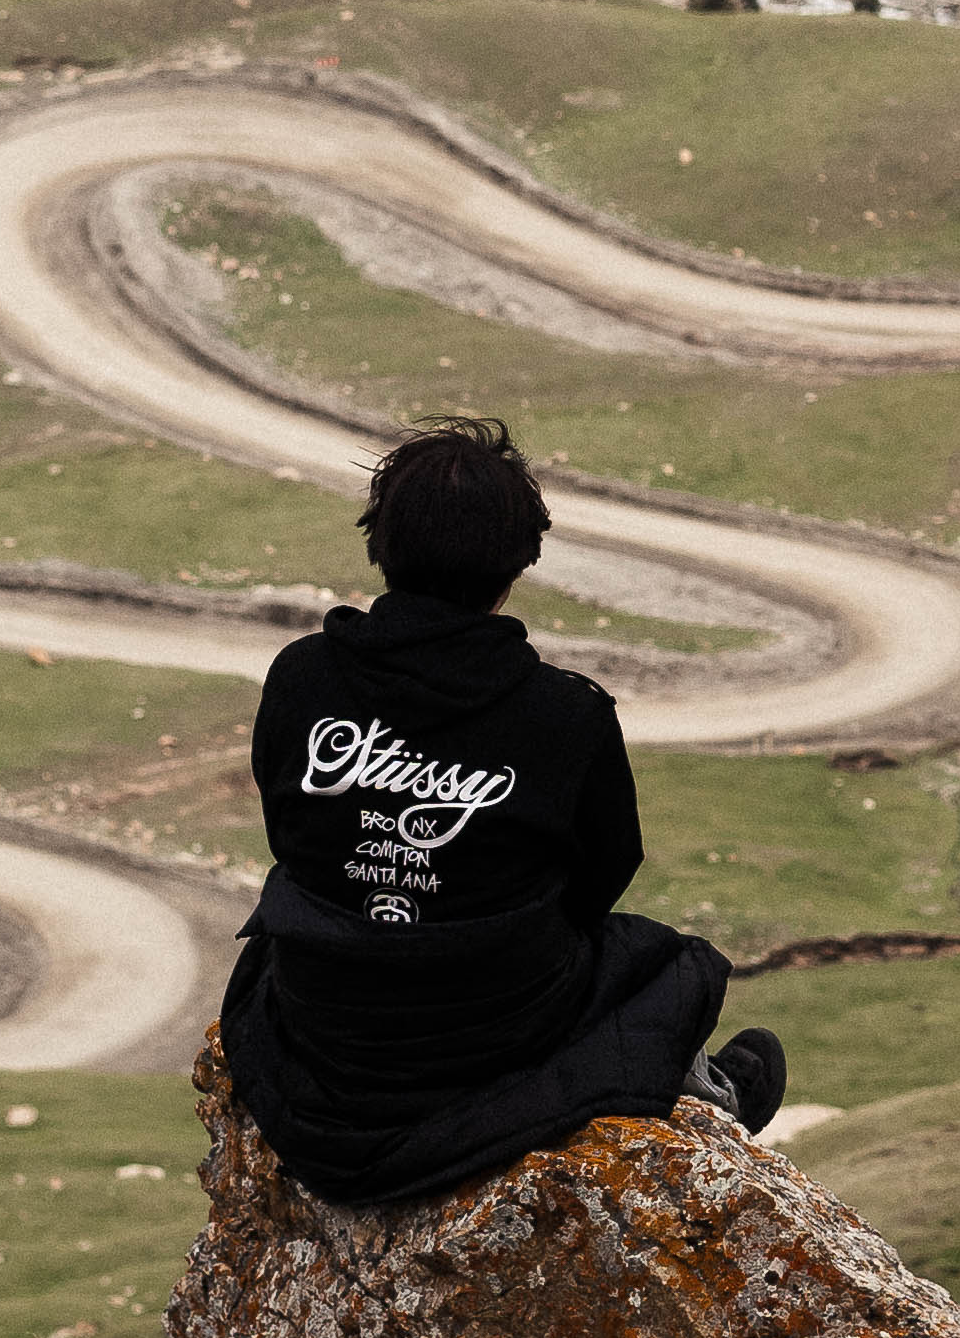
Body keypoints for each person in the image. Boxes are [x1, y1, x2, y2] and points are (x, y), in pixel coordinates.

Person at [218, 415, 786, 1202]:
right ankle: (708, 1094)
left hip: (329, 1013)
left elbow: (292, 833)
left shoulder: (301, 675)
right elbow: (604, 875)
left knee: (282, 930)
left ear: (379, 543)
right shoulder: (567, 714)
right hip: (490, 1025)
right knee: (648, 961)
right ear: (519, 562)